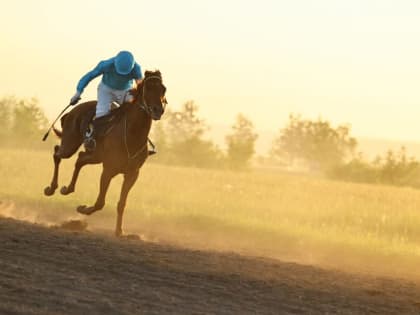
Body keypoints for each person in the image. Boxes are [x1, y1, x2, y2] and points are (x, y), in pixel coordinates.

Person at [69, 50, 143, 151]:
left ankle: (140, 142)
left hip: (126, 91)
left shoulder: (137, 69)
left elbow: (140, 86)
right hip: (106, 90)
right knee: (102, 114)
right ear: (115, 63)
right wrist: (78, 92)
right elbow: (89, 76)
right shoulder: (106, 64)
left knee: (134, 113)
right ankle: (92, 138)